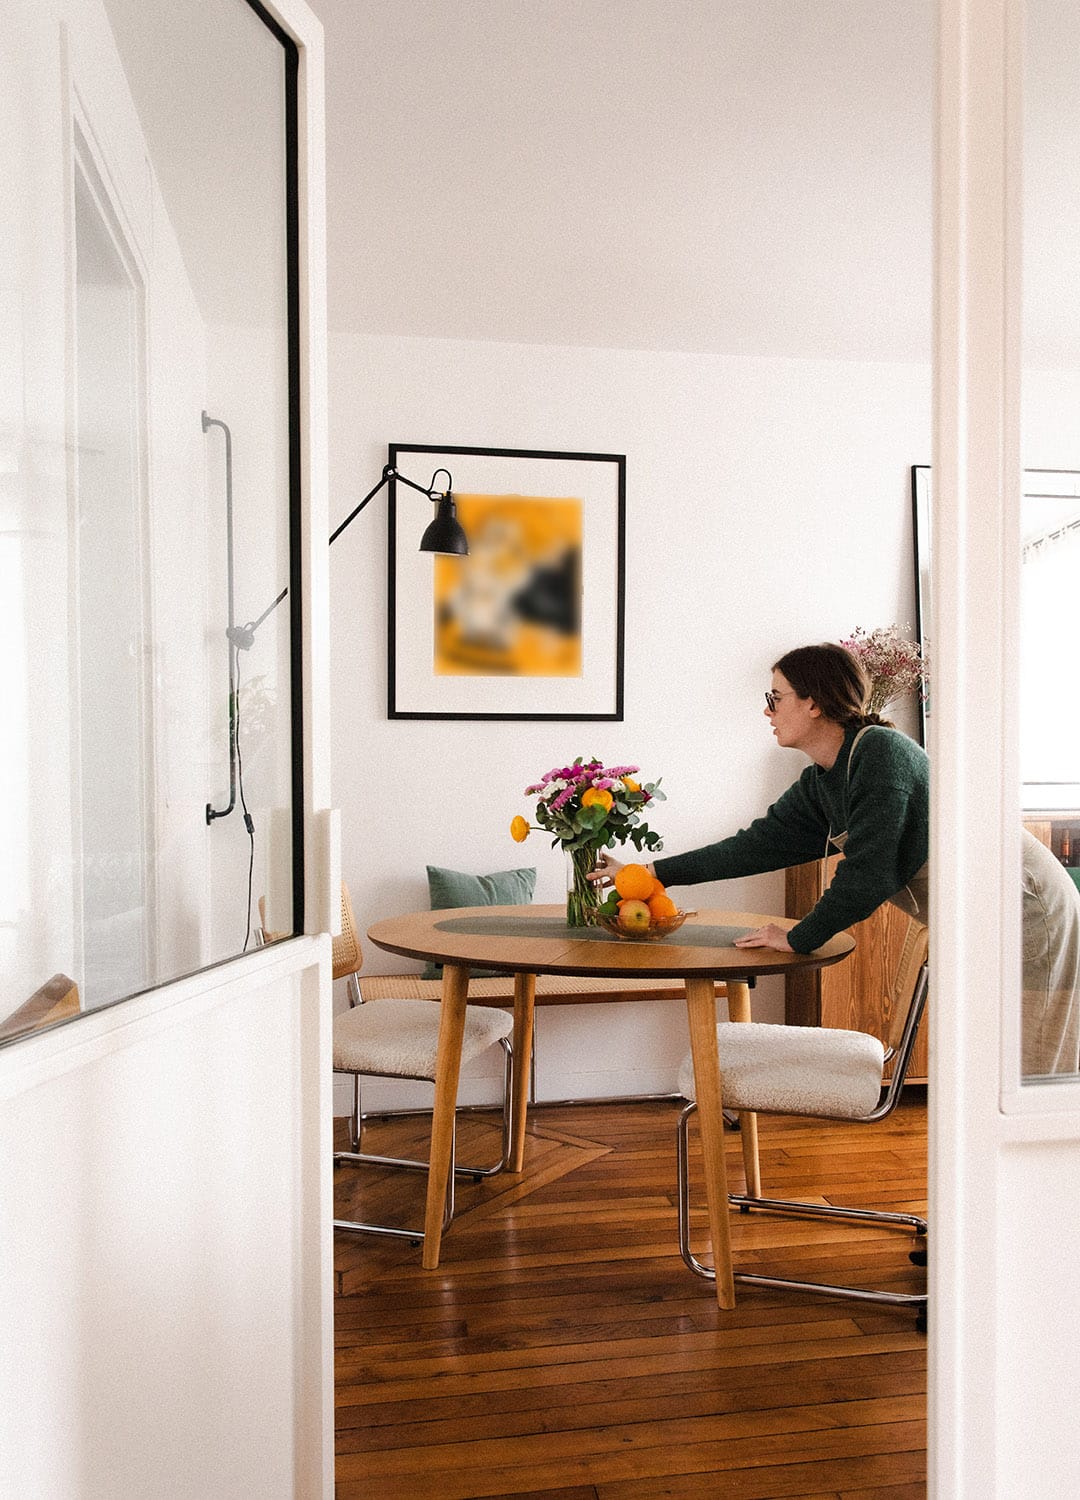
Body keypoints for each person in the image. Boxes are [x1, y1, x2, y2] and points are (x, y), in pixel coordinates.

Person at [591, 641, 1080, 1075]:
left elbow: (868, 875)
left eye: (775, 697)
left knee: (1030, 1074)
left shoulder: (881, 755)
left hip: (1024, 909)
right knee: (986, 1074)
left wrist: (800, 937)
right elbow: (755, 846)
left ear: (814, 702)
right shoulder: (825, 780)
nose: (768, 711)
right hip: (972, 919)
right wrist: (649, 874)